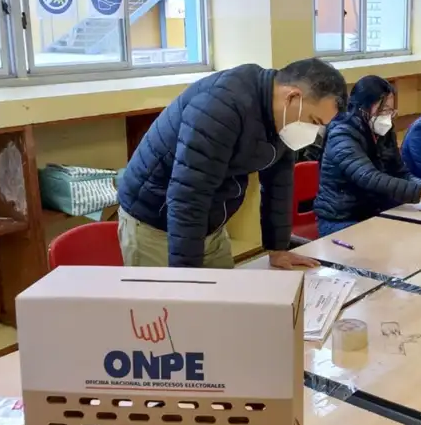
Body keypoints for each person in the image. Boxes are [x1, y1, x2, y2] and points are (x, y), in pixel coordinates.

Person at [117, 59, 347, 270]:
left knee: (222, 303)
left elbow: (280, 183)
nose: (313, 132)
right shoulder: (220, 106)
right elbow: (188, 195)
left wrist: (278, 248)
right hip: (156, 221)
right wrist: (186, 275)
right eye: (314, 121)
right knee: (172, 309)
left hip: (208, 224)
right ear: (292, 97)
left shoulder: (283, 117)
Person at [313, 75, 421, 235]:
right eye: (384, 110)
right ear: (363, 108)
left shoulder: (382, 130)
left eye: (391, 111)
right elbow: (368, 177)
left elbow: (400, 171)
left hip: (374, 212)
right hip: (341, 219)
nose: (387, 117)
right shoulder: (341, 135)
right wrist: (420, 193)